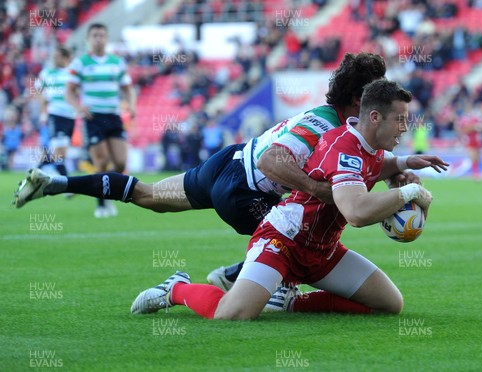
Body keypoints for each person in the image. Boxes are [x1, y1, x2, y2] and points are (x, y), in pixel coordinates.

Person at [14, 53, 447, 285]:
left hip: (228, 160)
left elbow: (358, 166)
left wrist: (396, 167)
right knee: (294, 241)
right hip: (244, 188)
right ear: (359, 101)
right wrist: (318, 189)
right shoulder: (329, 123)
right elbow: (272, 161)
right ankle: (233, 279)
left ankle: (56, 182)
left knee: (150, 197)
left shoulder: (335, 119)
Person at [130, 79, 433, 319]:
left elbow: (380, 165)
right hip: (283, 242)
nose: (405, 127)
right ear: (375, 117)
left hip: (323, 251)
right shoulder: (342, 147)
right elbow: (356, 212)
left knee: (389, 304)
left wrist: (405, 165)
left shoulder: (370, 146)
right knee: (232, 315)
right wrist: (409, 193)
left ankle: (290, 303)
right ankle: (176, 289)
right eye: (400, 119)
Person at [66, 23, 136, 218]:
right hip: (93, 118)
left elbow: (128, 88)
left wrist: (131, 105)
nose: (99, 38)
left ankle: (108, 192)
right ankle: (101, 205)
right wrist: (78, 107)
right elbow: (69, 92)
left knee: (121, 163)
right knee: (101, 162)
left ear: (107, 38)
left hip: (113, 117)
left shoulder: (116, 62)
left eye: (102, 35)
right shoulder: (80, 63)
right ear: (88, 39)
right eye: (95, 35)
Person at [34, 47, 77, 177]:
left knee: (61, 153)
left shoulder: (73, 73)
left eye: (57, 56)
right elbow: (38, 90)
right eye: (54, 56)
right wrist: (43, 111)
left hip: (70, 116)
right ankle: (66, 183)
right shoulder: (47, 73)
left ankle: (40, 168)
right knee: (59, 152)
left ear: (65, 57)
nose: (54, 59)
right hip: (55, 115)